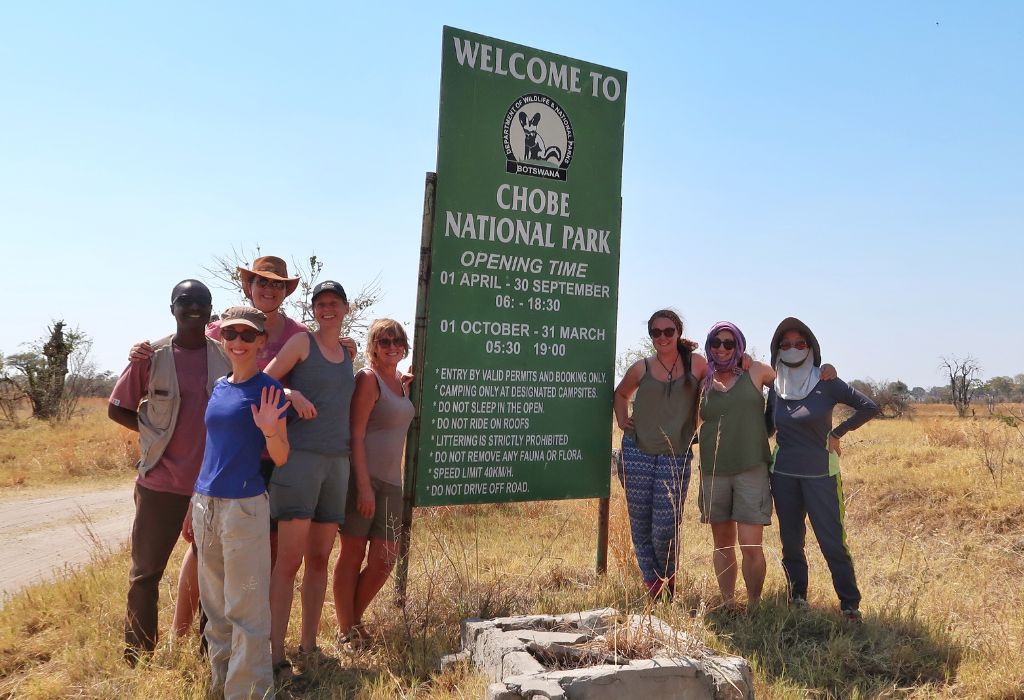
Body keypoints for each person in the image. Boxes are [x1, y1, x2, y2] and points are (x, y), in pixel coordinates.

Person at [127, 256, 354, 639]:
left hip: (272, 454)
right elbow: (185, 348)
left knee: (261, 549)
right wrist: (145, 350)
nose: (269, 290)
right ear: (249, 286)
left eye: (277, 285)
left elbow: (295, 370)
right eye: (261, 283)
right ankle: (180, 633)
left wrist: (341, 346)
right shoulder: (220, 329)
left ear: (285, 292)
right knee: (203, 547)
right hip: (225, 453)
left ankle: (244, 635)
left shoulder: (297, 333)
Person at [107, 280, 231, 665]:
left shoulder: (225, 358)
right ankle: (138, 656)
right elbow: (117, 408)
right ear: (172, 308)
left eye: (202, 303)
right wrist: (154, 433)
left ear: (211, 310)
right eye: (185, 302)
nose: (194, 308)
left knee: (213, 576)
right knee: (146, 573)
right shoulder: (151, 356)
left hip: (210, 486)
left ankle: (211, 655)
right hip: (160, 483)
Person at [186, 306, 290, 699]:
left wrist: (268, 431)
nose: (239, 343)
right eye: (232, 335)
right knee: (216, 609)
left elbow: (281, 456)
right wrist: (193, 503)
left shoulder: (269, 390)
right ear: (222, 340)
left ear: (261, 341)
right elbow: (212, 448)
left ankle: (249, 692)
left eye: (248, 336)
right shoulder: (220, 386)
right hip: (206, 503)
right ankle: (222, 684)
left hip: (243, 508)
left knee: (245, 608)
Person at [263, 280, 355, 679]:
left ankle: (309, 644)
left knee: (320, 560)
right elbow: (262, 381)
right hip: (299, 463)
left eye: (333, 303)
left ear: (346, 308)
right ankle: (274, 655)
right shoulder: (302, 344)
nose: (326, 309)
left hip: (338, 464)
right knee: (288, 562)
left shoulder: (349, 352)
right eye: (320, 304)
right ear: (313, 310)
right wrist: (290, 394)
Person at [766, 317, 879, 622]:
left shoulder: (825, 381)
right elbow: (766, 427)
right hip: (784, 474)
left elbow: (869, 407)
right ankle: (798, 596)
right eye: (785, 344)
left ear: (811, 347)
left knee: (832, 540)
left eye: (799, 344)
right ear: (777, 349)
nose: (792, 349)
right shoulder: (776, 386)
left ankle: (849, 604)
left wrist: (836, 433)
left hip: (821, 474)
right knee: (791, 540)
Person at [612, 310, 704, 600]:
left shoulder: (697, 365)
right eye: (656, 332)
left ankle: (669, 576)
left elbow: (722, 382)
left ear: (678, 332)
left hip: (676, 453)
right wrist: (621, 419)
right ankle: (653, 587)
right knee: (640, 521)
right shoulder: (642, 368)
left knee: (666, 524)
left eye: (668, 331)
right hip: (636, 451)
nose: (662, 337)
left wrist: (697, 425)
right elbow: (620, 394)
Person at [333, 319, 414, 646]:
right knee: (352, 554)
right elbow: (356, 434)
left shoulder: (399, 382)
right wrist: (363, 486)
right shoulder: (368, 379)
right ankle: (347, 628)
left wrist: (407, 383)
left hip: (393, 482)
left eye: (397, 340)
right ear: (374, 346)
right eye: (384, 341)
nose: (392, 346)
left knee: (385, 559)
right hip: (362, 480)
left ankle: (351, 621)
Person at [697, 321, 777, 608]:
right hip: (714, 469)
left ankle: (754, 603)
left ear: (739, 345)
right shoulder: (702, 378)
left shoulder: (756, 372)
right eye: (716, 343)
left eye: (729, 343)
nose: (721, 348)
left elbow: (782, 381)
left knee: (751, 543)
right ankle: (729, 602)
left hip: (751, 467)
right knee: (722, 543)